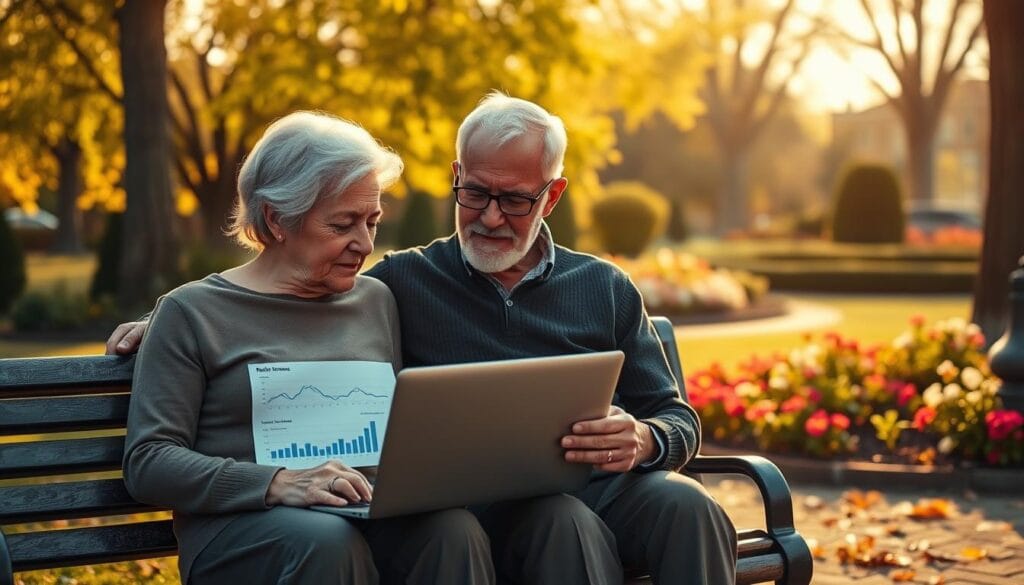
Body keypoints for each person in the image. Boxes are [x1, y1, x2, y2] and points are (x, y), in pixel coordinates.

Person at [111, 94, 737, 585]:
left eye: (514, 201)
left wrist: (647, 437)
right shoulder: (394, 285)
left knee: (682, 509)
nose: (490, 216)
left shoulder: (385, 296)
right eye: (475, 193)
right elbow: (256, 303)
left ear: (552, 197)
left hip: (508, 498)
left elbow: (674, 413)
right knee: (527, 525)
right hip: (310, 518)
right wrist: (165, 320)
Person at [121, 111, 494, 585]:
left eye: (373, 221)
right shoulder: (192, 313)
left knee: (452, 531)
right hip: (245, 528)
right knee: (327, 544)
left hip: (364, 513)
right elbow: (150, 460)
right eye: (342, 225)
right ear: (277, 219)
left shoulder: (375, 300)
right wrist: (277, 483)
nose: (364, 243)